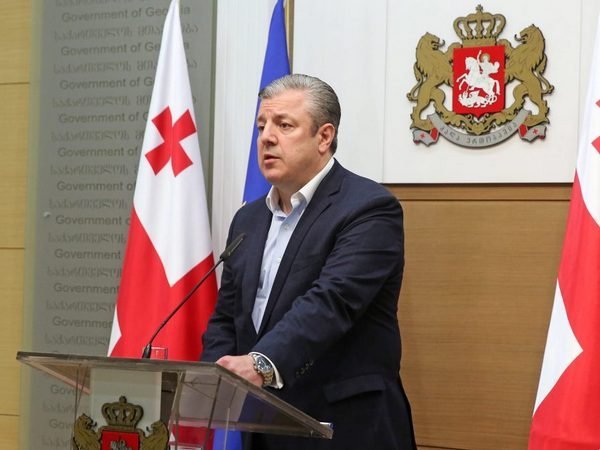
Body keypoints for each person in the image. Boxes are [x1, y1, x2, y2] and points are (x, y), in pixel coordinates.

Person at [202, 74, 416, 450]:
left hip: (345, 429)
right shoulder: (248, 220)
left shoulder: (369, 209)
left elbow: (331, 303)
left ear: (324, 137)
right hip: (264, 429)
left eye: (284, 125)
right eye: (262, 126)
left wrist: (261, 363)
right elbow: (227, 317)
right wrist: (214, 378)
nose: (267, 137)